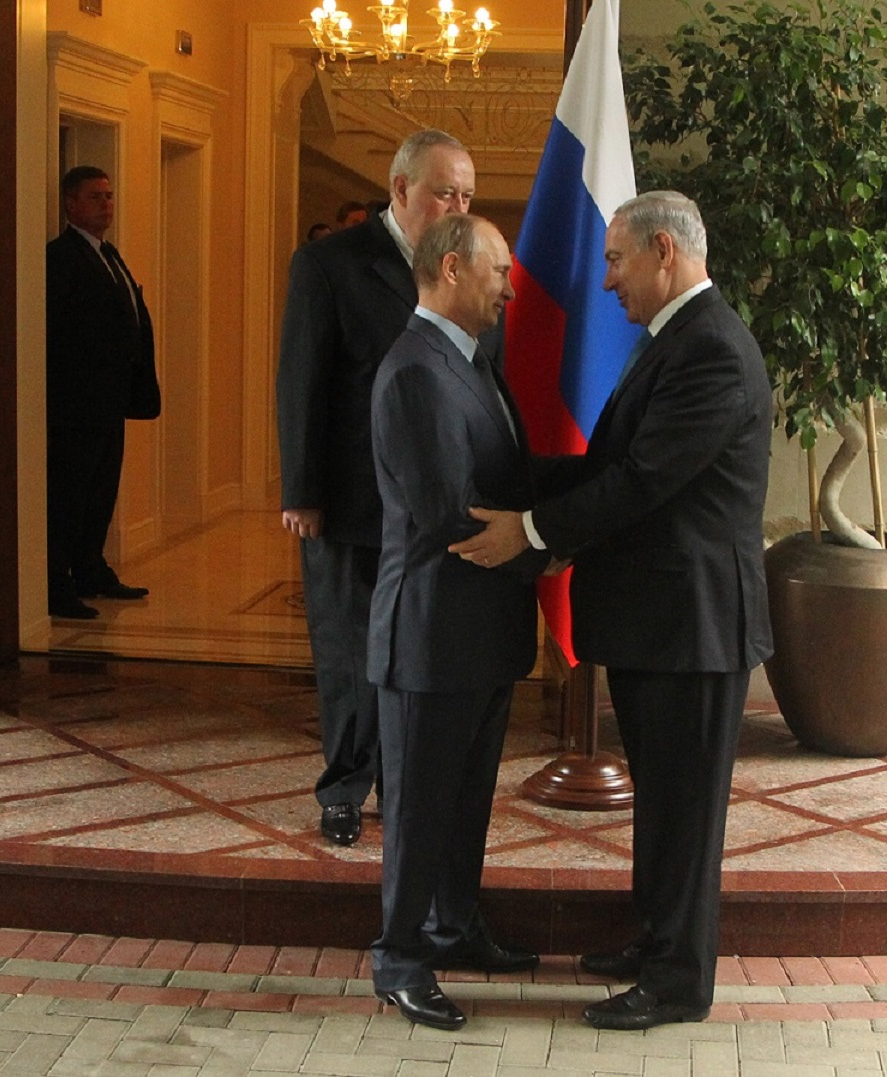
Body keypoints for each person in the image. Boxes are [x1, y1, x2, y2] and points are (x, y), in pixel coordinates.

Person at [448, 191, 773, 1030]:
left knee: (684, 812)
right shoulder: (677, 337)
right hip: (660, 623)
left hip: (691, 629)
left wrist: (526, 525)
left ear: (663, 251)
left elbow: (639, 482)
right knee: (663, 799)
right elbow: (611, 464)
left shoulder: (711, 352)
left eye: (615, 260)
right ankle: (656, 939)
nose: (604, 282)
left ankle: (675, 983)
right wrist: (507, 473)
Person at [276, 129, 493, 848]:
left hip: (431, 505)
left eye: (465, 195)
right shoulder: (328, 264)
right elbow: (301, 380)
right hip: (348, 499)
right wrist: (300, 490)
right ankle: (343, 787)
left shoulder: (465, 268)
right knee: (346, 652)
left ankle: (403, 787)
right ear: (400, 190)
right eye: (443, 193)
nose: (456, 206)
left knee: (411, 651)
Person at [368, 214, 547, 1032]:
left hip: (480, 631)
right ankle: (401, 957)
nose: (510, 287)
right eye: (498, 271)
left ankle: (453, 923)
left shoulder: (469, 357)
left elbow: (507, 474)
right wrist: (549, 546)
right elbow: (449, 513)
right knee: (417, 808)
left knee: (466, 797)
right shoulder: (414, 369)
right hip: (432, 634)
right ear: (450, 269)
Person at [45, 165, 152, 619]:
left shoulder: (108, 254)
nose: (106, 204)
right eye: (95, 197)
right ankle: (55, 582)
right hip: (76, 404)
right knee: (69, 494)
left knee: (100, 492)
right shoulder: (61, 257)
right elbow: (61, 331)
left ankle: (91, 567)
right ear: (71, 203)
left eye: (109, 196)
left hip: (109, 400)